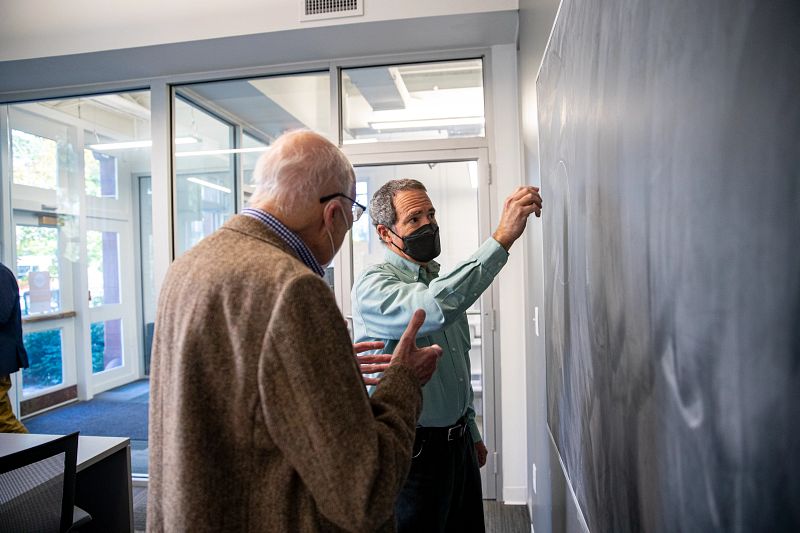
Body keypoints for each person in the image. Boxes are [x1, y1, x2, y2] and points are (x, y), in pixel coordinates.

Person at [147, 131, 442, 532]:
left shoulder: (188, 267)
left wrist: (325, 366)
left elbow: (237, 393)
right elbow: (362, 493)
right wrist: (403, 379)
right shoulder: (293, 288)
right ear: (334, 213)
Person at [352, 179, 542, 532]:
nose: (428, 224)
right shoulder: (373, 285)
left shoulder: (437, 279)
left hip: (458, 448)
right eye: (414, 219)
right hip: (412, 452)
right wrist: (500, 239)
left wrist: (470, 429)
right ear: (385, 232)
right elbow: (432, 309)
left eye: (431, 214)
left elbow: (458, 366)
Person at [0, 262, 29, 433]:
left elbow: (2, 314)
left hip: (1, 358)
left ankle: (36, 458)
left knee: (4, 422)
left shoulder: (1, 274)